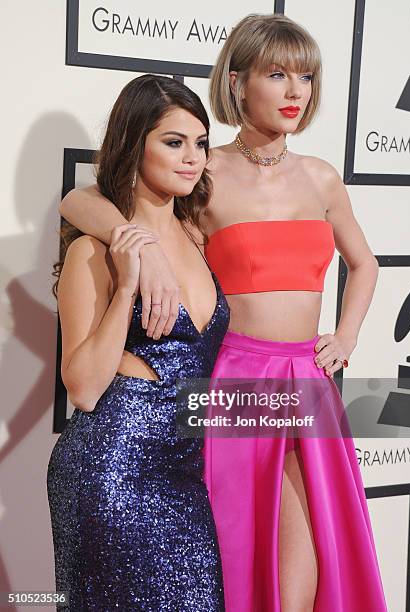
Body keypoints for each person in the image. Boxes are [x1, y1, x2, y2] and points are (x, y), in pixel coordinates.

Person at [57, 13, 388, 612]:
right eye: (277, 74)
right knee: (231, 561)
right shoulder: (202, 171)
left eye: (306, 77)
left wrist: (346, 336)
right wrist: (146, 251)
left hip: (306, 383)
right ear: (237, 83)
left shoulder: (321, 179)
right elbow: (81, 199)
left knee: (307, 568)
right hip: (231, 381)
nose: (295, 92)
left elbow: (364, 265)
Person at [47, 74, 229, 611]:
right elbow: (81, 387)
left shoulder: (198, 237)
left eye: (200, 143)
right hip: (114, 470)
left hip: (186, 470)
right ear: (135, 143)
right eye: (173, 142)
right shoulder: (93, 251)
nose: (191, 157)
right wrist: (128, 282)